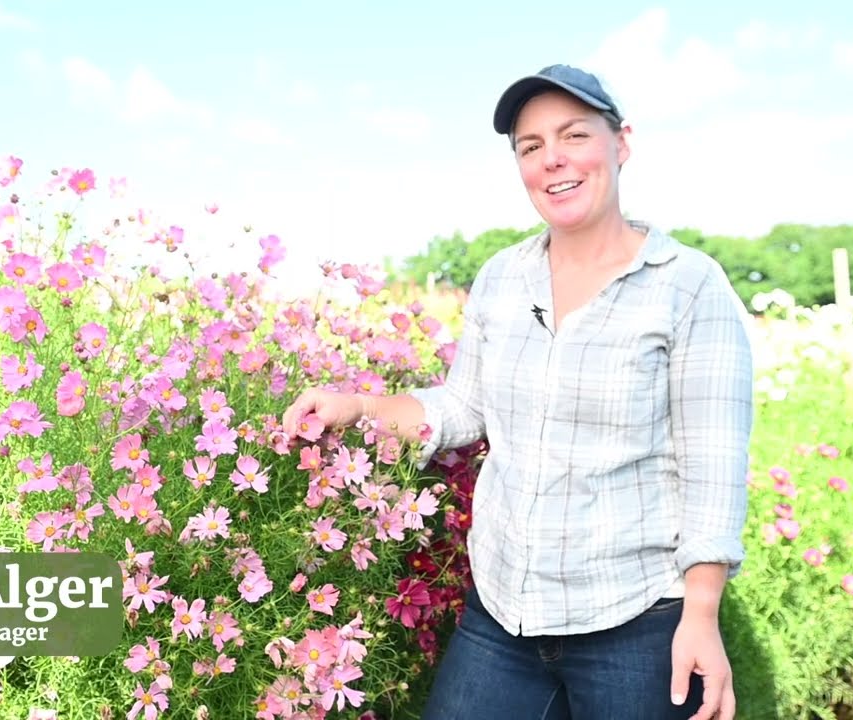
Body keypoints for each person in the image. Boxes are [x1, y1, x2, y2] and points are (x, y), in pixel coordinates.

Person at [281, 63, 752, 720]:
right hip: (501, 616)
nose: (553, 159)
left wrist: (701, 615)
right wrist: (358, 407)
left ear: (621, 144)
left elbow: (715, 464)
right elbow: (462, 406)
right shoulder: (503, 279)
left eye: (574, 136)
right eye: (530, 147)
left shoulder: (687, 285)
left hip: (636, 623)